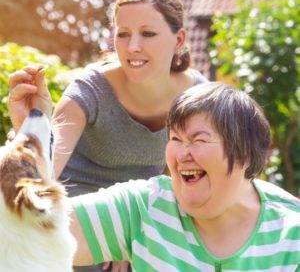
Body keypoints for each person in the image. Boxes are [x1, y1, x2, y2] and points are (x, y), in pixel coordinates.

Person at [8, 0, 207, 272]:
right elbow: (46, 170)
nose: (132, 46)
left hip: (143, 207)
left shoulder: (198, 97)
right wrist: (31, 123)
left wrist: (132, 232)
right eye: (122, 34)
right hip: (78, 205)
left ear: (179, 39)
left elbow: (179, 178)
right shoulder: (90, 88)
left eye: (147, 33)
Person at [10, 81, 300, 270]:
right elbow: (30, 231)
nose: (182, 153)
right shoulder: (142, 206)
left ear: (246, 154)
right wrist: (33, 134)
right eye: (175, 139)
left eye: (198, 140)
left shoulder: (292, 234)